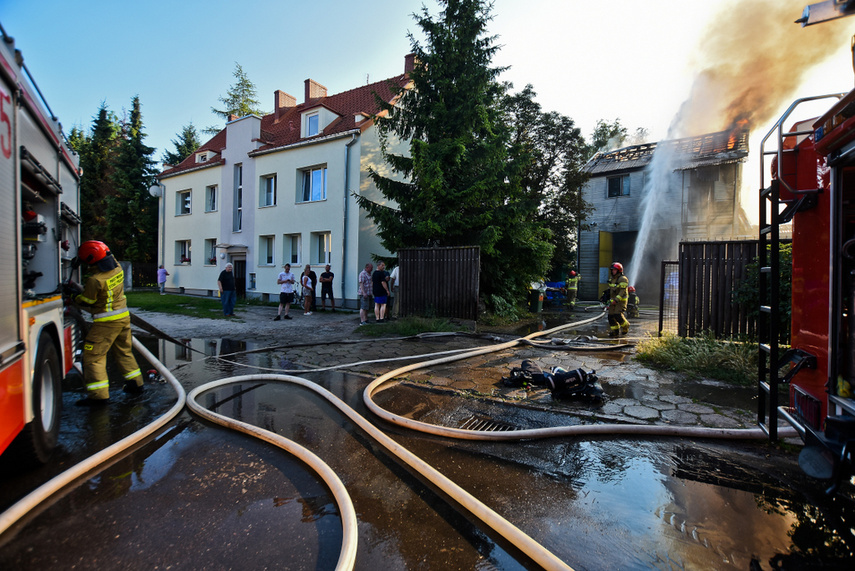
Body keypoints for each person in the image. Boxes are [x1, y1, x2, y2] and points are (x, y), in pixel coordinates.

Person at [67, 240, 143, 403]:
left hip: (105, 323)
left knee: (93, 357)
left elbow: (87, 300)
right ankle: (136, 384)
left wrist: (74, 295)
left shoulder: (95, 280)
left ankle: (99, 397)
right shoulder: (117, 268)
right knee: (124, 351)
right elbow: (106, 256)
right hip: (123, 319)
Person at [607, 262, 630, 337]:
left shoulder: (623, 279)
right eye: (612, 270)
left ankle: (626, 326)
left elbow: (622, 292)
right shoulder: (612, 279)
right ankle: (615, 331)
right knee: (610, 316)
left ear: (619, 270)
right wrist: (605, 296)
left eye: (614, 270)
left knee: (617, 315)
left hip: (621, 302)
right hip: (613, 301)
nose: (613, 271)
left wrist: (616, 300)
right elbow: (610, 289)